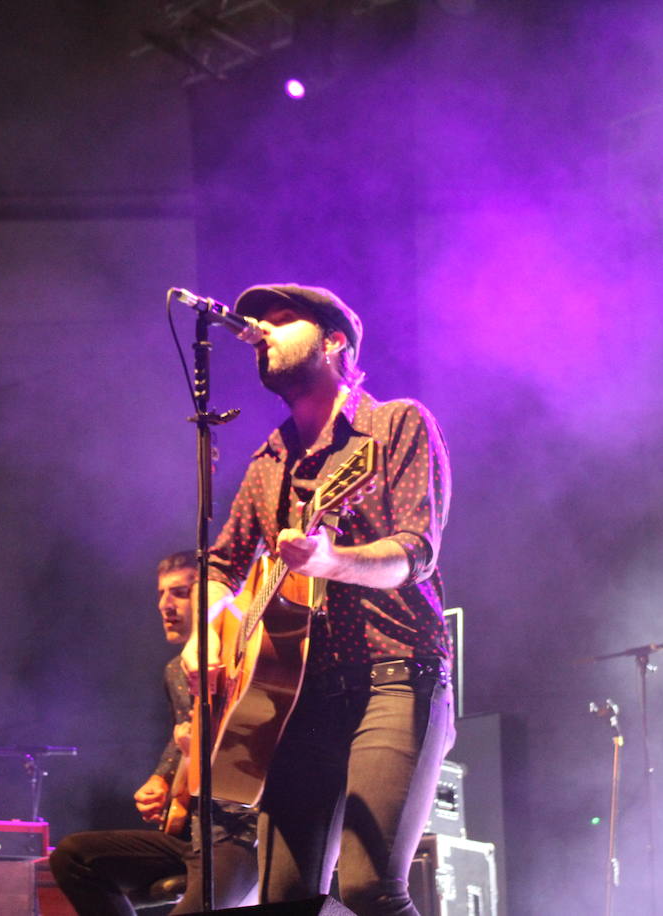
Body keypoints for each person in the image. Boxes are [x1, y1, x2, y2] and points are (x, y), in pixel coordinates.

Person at [184, 284, 454, 916]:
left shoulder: (396, 425)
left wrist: (334, 563)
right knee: (283, 900)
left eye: (281, 319)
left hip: (394, 675)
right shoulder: (269, 458)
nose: (260, 329)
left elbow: (416, 551)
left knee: (368, 888)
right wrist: (208, 627)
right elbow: (220, 564)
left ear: (335, 341)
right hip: (297, 702)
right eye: (259, 321)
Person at [49, 551, 258, 915]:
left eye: (179, 593)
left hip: (239, 835)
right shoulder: (177, 670)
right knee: (72, 856)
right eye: (161, 594)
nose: (165, 605)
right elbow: (181, 738)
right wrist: (162, 779)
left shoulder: (246, 655)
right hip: (192, 835)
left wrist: (200, 753)